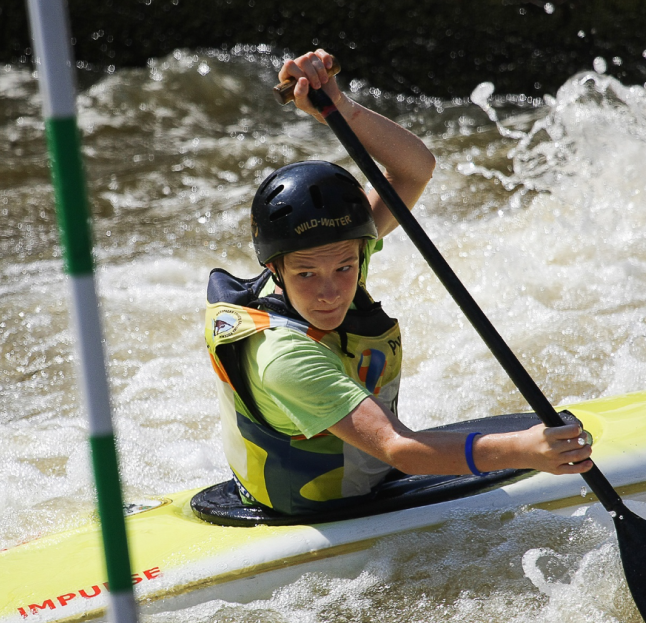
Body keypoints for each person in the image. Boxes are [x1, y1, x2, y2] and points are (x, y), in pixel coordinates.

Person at [204, 50, 593, 516]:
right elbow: (397, 447)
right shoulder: (284, 357)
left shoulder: (335, 255)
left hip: (351, 475)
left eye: (346, 267)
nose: (330, 291)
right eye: (306, 274)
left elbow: (413, 170)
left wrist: (338, 106)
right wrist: (525, 452)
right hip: (317, 510)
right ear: (275, 270)